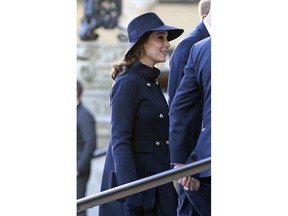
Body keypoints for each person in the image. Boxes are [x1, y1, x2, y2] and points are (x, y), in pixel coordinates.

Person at [99, 12, 184, 216]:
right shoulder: (127, 83)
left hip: (156, 183)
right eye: (160, 38)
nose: (166, 44)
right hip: (137, 188)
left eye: (166, 38)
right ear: (142, 44)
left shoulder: (150, 81)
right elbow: (120, 140)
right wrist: (131, 191)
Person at [168, 2, 211, 215]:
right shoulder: (191, 45)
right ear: (207, 13)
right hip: (195, 162)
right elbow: (180, 105)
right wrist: (183, 160)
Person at [77, 80, 97, 216]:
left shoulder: (84, 115)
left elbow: (90, 144)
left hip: (78, 172)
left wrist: (78, 169)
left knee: (77, 208)